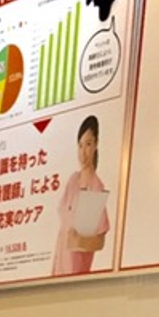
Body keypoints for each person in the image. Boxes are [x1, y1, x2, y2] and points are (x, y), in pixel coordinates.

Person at [52, 114, 109, 275]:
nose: (83, 152)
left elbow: (99, 241)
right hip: (59, 264)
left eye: (88, 144)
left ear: (96, 144)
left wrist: (80, 241)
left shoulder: (94, 187)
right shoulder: (73, 180)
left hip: (75, 269)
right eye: (80, 145)